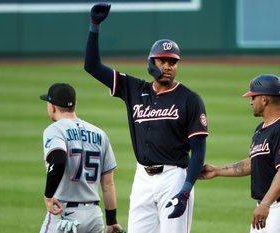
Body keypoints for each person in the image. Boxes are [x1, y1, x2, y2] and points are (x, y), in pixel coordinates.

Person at [84, 3, 208, 233]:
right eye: (163, 61)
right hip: (142, 178)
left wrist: (186, 189)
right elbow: (92, 66)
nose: (169, 67)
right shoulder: (133, 88)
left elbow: (199, 151)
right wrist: (94, 27)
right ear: (151, 63)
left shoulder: (190, 99)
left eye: (173, 62)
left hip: (174, 178)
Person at [199, 74, 280, 233]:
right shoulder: (261, 129)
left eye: (253, 97)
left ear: (264, 100)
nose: (251, 102)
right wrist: (217, 170)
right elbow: (254, 163)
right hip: (268, 205)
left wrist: (265, 204)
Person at [39, 83, 124, 233]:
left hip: (64, 214)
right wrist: (112, 221)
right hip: (94, 217)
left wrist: (48, 196)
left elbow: (58, 159)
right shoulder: (99, 134)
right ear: (74, 105)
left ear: (52, 106)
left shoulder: (55, 130)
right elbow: (108, 184)